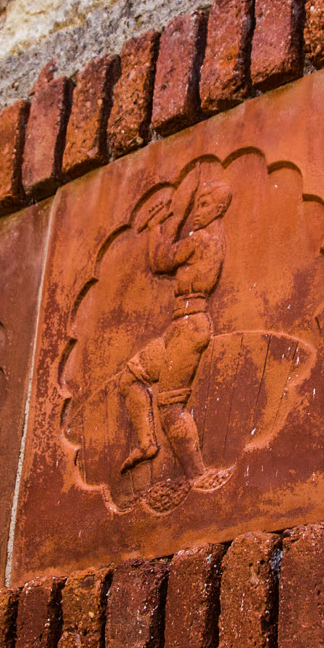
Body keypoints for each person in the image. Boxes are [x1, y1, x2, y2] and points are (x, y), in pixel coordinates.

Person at [117, 172, 232, 493]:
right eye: (197, 204)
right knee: (130, 378)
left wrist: (156, 227)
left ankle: (196, 475)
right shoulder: (207, 238)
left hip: (190, 325)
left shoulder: (201, 240)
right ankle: (146, 443)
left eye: (205, 205)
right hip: (178, 325)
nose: (198, 211)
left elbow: (160, 261)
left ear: (219, 209)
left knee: (169, 406)